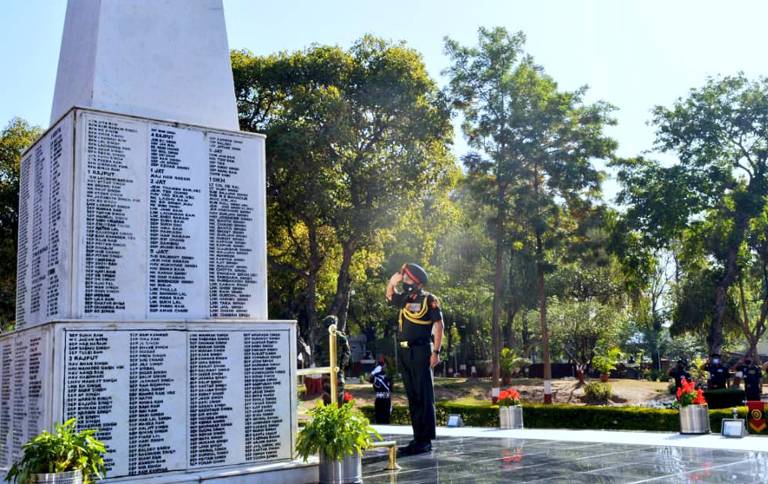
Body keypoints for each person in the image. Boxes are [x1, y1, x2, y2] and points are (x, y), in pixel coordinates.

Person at [386, 263, 443, 456]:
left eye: (407, 278)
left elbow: (439, 324)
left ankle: (425, 440)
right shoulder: (404, 299)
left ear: (417, 281)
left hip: (421, 350)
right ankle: (418, 438)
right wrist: (391, 282)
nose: (405, 281)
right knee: (412, 396)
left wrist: (436, 351)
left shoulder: (429, 299)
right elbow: (389, 296)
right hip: (404, 352)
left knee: (423, 395)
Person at [317, 315, 351, 405]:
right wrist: (342, 365)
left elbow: (346, 352)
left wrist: (341, 365)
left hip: (332, 369)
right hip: (334, 369)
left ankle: (330, 414)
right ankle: (336, 415)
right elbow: (347, 352)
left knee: (329, 393)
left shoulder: (323, 338)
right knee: (335, 392)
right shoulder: (338, 336)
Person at [369, 356, 392, 423]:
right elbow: (368, 378)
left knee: (387, 420)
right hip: (380, 400)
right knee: (379, 419)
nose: (386, 367)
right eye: (385, 365)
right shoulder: (377, 377)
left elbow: (389, 391)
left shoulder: (388, 378)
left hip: (387, 400)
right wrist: (374, 372)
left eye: (387, 366)